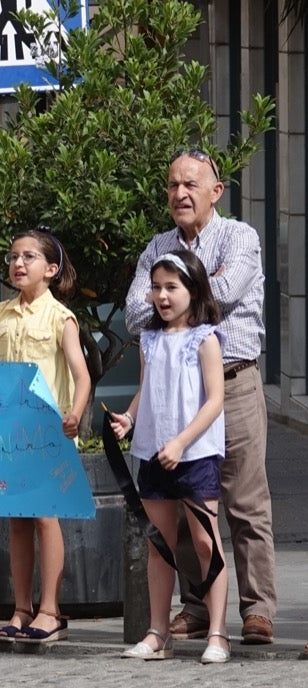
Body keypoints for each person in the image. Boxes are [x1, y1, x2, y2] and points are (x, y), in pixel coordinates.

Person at [125, 149, 276, 646]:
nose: (179, 194)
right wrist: (176, 298)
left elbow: (226, 291)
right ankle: (194, 606)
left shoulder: (241, 237)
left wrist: (172, 295)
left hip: (232, 382)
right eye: (172, 185)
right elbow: (132, 312)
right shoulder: (157, 246)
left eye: (191, 184)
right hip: (173, 392)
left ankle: (257, 609)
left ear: (216, 191)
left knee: (245, 501)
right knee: (184, 499)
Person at [112, 250, 231, 664]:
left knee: (204, 540)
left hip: (195, 453)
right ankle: (157, 632)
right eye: (156, 287)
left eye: (172, 287)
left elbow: (214, 400)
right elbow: (148, 390)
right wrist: (128, 418)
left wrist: (182, 441)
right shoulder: (149, 339)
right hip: (152, 452)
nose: (162, 296)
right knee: (159, 545)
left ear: (193, 290)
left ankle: (217, 631)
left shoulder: (206, 338)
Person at [0, 229, 91, 644]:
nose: (18, 264)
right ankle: (21, 608)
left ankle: (50, 610)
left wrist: (75, 413)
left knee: (45, 516)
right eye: (12, 257)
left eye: (28, 257)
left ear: (51, 269)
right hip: (9, 436)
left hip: (48, 433)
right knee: (18, 521)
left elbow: (81, 374)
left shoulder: (61, 318)